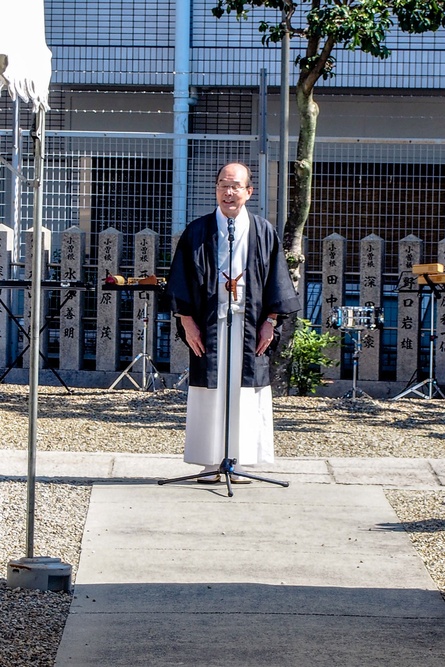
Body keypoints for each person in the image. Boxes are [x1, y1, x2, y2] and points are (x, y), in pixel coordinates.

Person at [167, 162, 300, 482]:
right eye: (223, 185)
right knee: (210, 390)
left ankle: (238, 459)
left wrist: (271, 321)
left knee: (245, 392)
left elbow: (276, 283)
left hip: (249, 325)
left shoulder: (263, 231)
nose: (228, 192)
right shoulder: (197, 232)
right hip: (210, 325)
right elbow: (181, 282)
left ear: (248, 192)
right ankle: (210, 460)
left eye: (235, 186)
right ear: (216, 190)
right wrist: (187, 322)